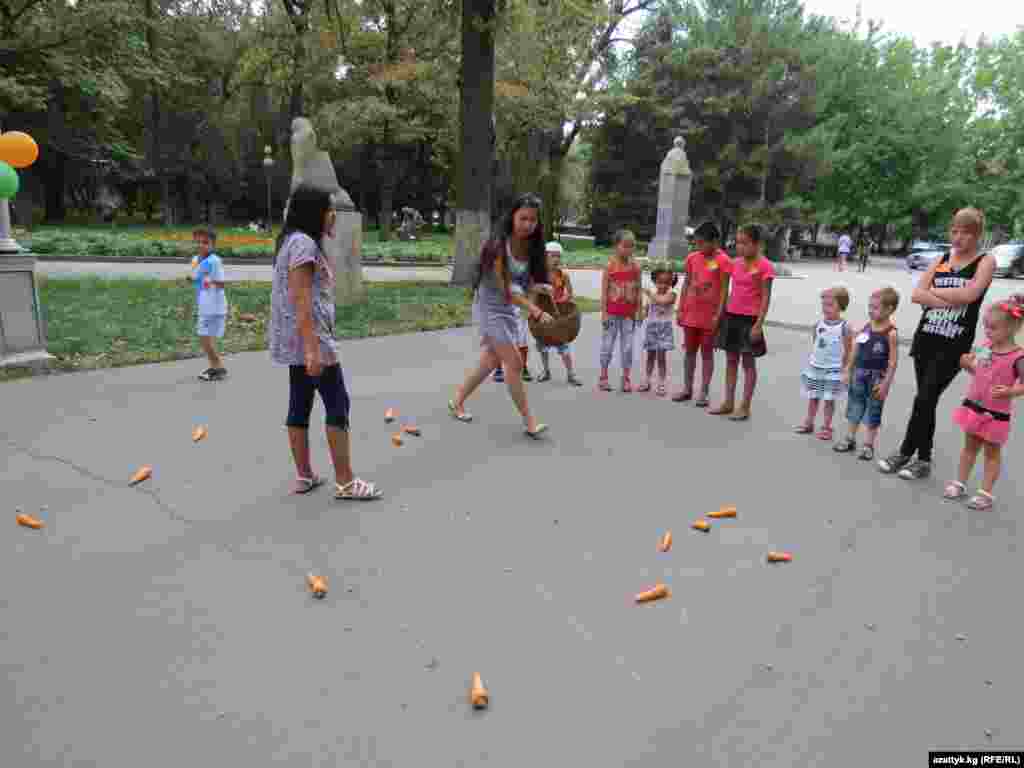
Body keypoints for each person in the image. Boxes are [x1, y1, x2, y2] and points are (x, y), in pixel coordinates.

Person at [269, 185, 381, 500]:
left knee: (299, 404)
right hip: (312, 343)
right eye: (329, 209)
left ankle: (304, 475)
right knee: (337, 404)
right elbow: (301, 300)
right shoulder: (304, 245)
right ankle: (345, 482)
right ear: (312, 212)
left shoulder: (291, 241)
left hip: (297, 343)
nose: (333, 215)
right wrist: (312, 350)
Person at [879, 207, 996, 480]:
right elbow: (917, 295)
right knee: (926, 400)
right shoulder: (942, 258)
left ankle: (905, 452)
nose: (958, 237)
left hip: (954, 343)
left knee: (925, 396)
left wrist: (935, 293)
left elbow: (971, 294)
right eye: (954, 231)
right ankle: (924, 460)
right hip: (927, 338)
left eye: (966, 233)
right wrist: (948, 296)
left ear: (977, 235)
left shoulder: (985, 261)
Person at [449, 193, 553, 437]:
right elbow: (506, 289)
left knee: (491, 360)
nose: (528, 224)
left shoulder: (532, 246)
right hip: (490, 305)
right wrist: (535, 310)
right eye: (523, 218)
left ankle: (457, 401)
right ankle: (530, 422)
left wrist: (538, 288)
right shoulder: (498, 246)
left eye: (533, 220)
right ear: (512, 217)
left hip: (508, 307)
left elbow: (522, 284)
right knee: (514, 362)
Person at [944, 297, 1024, 510]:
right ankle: (959, 482)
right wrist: (966, 365)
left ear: (1013, 327)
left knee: (991, 453)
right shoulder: (986, 346)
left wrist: (1010, 391)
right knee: (969, 448)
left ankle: (985, 493)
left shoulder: (1018, 357)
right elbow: (979, 372)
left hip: (996, 414)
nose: (987, 332)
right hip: (974, 406)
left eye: (993, 328)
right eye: (986, 327)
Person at [710, 223, 774, 421]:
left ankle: (745, 406)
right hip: (731, 317)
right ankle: (728, 402)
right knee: (730, 361)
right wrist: (719, 316)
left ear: (757, 244)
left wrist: (758, 324)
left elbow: (765, 298)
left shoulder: (765, 266)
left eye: (745, 243)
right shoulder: (734, 263)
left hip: (750, 320)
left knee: (748, 363)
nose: (740, 247)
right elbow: (725, 291)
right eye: (738, 243)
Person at [833, 287, 900, 460]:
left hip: (878, 378)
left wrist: (886, 384)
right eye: (869, 307)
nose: (871, 311)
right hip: (859, 374)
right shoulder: (866, 328)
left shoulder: (891, 333)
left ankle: (868, 445)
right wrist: (848, 369)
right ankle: (850, 439)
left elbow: (893, 362)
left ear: (889, 309)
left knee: (873, 410)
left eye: (875, 307)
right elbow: (856, 349)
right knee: (855, 405)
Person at [675, 221, 731, 406]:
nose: (698, 246)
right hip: (691, 313)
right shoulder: (692, 258)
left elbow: (724, 290)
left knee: (707, 354)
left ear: (714, 241)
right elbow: (686, 284)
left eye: (701, 243)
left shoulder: (723, 261)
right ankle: (687, 388)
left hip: (710, 316)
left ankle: (704, 392)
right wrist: (680, 308)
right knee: (689, 352)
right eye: (696, 243)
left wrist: (719, 315)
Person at [795, 287, 854, 441]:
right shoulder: (818, 324)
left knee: (829, 399)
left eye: (830, 305)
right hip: (816, 367)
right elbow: (816, 343)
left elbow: (849, 350)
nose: (825, 308)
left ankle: (827, 427)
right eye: (824, 304)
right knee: (813, 396)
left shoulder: (845, 327)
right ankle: (809, 422)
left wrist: (846, 369)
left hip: (834, 369)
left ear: (841, 306)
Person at [599, 229, 642, 392]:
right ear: (616, 246)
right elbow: (603, 293)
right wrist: (603, 313)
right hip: (611, 314)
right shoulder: (610, 266)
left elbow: (638, 290)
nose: (629, 249)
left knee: (628, 347)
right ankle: (603, 377)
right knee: (607, 346)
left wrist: (640, 310)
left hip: (628, 316)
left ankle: (626, 378)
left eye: (632, 246)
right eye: (625, 246)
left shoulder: (636, 267)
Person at [536, 241, 582, 386]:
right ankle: (546, 370)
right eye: (552, 256)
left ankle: (571, 374)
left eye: (558, 256)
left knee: (563, 345)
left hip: (558, 315)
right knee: (542, 344)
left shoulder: (563, 275)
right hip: (543, 314)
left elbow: (570, 294)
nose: (556, 260)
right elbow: (532, 291)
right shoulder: (539, 275)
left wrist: (564, 299)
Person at [190, 227, 228, 381]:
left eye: (205, 242)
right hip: (204, 303)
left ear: (213, 245)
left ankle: (217, 367)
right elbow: (194, 276)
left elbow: (221, 283)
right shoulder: (195, 259)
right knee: (206, 337)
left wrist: (209, 280)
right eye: (198, 242)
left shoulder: (215, 261)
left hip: (214, 305)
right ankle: (216, 367)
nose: (201, 245)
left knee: (204, 337)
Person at [638, 264, 678, 396]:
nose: (663, 285)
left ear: (671, 283)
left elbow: (663, 302)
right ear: (655, 282)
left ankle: (662, 383)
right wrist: (640, 316)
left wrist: (649, 294)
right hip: (652, 329)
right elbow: (645, 311)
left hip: (664, 330)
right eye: (660, 282)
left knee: (661, 357)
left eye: (666, 282)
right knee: (650, 356)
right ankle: (647, 380)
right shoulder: (652, 296)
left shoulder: (671, 294)